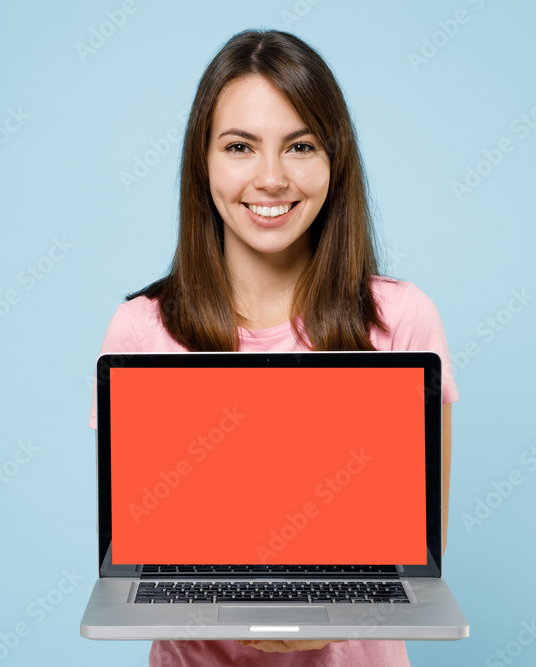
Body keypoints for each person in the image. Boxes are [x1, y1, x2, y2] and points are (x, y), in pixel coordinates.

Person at [89, 28, 458, 667]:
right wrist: (231, 609)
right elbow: (139, 561)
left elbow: (417, 567)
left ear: (333, 160)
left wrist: (332, 618)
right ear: (202, 163)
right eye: (240, 147)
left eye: (300, 146)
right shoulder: (141, 331)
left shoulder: (400, 321)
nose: (271, 178)